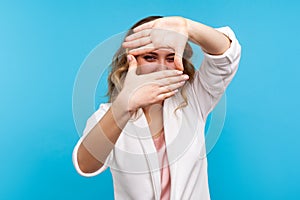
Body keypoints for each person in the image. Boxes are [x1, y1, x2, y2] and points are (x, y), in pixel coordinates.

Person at [72, 16, 241, 200]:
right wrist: (124, 106)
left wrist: (187, 27)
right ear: (130, 61)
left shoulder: (195, 98)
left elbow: (226, 56)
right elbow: (85, 165)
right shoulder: (109, 114)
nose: (161, 68)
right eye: (150, 57)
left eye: (170, 58)